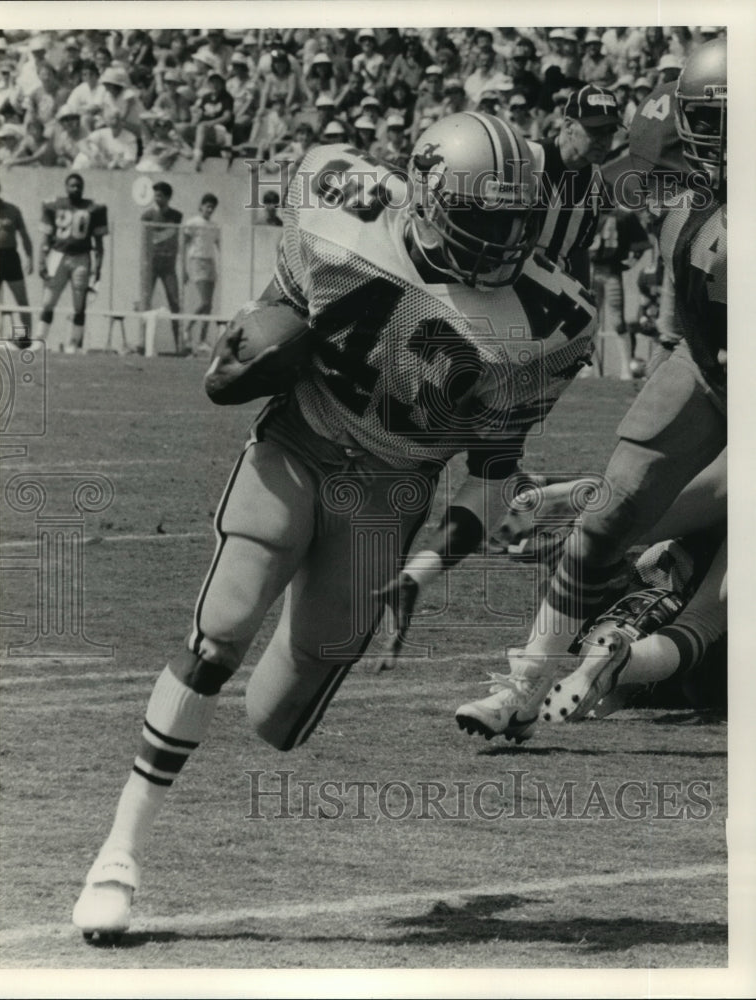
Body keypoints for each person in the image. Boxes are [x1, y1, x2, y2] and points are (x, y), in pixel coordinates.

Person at [72, 111, 597, 939]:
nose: (501, 243)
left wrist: (428, 568)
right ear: (424, 200)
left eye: (515, 224)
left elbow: (493, 472)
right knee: (218, 636)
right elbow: (277, 311)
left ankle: (307, 630)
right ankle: (118, 852)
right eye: (482, 220)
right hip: (301, 445)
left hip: (392, 491)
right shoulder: (339, 212)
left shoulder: (548, 322)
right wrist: (256, 340)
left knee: (277, 721)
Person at [453, 38, 727, 743]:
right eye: (710, 119)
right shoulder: (677, 187)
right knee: (616, 521)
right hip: (706, 368)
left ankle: (573, 503)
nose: (718, 137)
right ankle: (522, 685)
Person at [527, 85, 622, 286]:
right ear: (569, 126)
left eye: (610, 132)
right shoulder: (529, 159)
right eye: (595, 130)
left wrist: (584, 299)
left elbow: (578, 250)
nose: (604, 141)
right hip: (507, 286)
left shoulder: (595, 178)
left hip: (553, 290)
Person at [34, 173, 108, 354]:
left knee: (79, 304)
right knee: (48, 301)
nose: (76, 189)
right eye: (72, 186)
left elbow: (99, 243)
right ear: (66, 187)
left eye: (78, 186)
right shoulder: (54, 205)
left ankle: (73, 344)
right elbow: (46, 237)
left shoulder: (93, 208)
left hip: (82, 257)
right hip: (58, 255)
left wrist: (98, 266)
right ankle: (39, 340)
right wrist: (41, 260)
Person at [589, 207, 651, 379]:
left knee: (617, 321)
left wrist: (629, 263)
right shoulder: (591, 211)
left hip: (609, 271)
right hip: (593, 271)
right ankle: (587, 368)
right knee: (588, 322)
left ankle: (625, 368)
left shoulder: (623, 216)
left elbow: (642, 244)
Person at [140, 181, 183, 353]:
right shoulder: (147, 216)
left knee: (175, 302)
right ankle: (142, 343)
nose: (157, 198)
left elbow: (172, 236)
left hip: (168, 265)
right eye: (155, 195)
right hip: (151, 265)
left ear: (167, 197)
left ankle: (178, 344)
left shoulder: (176, 216)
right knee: (145, 302)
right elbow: (146, 241)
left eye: (160, 195)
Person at [182, 193, 220, 354]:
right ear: (201, 206)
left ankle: (202, 339)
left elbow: (218, 246)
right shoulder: (192, 223)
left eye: (212, 207)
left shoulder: (214, 225)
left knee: (209, 305)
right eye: (207, 206)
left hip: (210, 262)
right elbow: (183, 245)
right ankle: (187, 328)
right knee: (204, 302)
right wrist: (184, 268)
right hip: (197, 261)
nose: (209, 209)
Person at [0, 183, 34, 341]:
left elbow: (24, 235)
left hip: (10, 257)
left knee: (21, 299)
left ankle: (25, 336)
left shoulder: (12, 210)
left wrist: (30, 257)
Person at [192, 71, 234, 172]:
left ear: (222, 84)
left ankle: (197, 158)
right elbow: (199, 113)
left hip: (221, 130)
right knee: (183, 128)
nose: (214, 85)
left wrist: (210, 123)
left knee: (202, 127)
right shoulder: (206, 97)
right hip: (205, 128)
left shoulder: (226, 98)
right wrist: (193, 121)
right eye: (212, 82)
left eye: (217, 82)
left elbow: (227, 117)